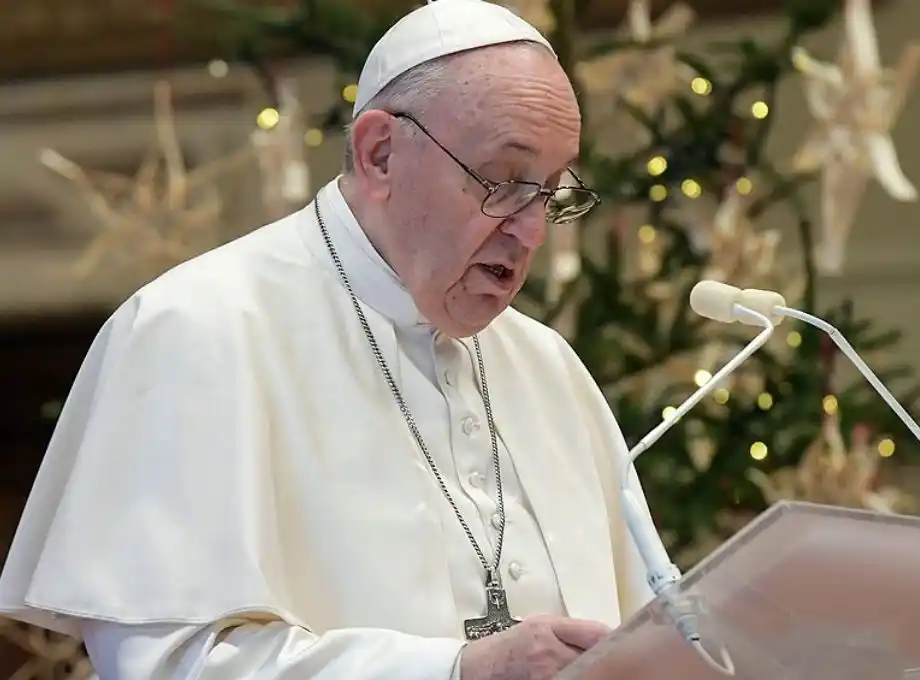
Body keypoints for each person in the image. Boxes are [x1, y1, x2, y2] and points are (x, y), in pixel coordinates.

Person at [0, 0, 659, 678]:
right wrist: (458, 671)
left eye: (551, 191)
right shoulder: (196, 329)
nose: (532, 230)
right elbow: (175, 666)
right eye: (503, 180)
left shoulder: (546, 366)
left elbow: (653, 628)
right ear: (379, 154)